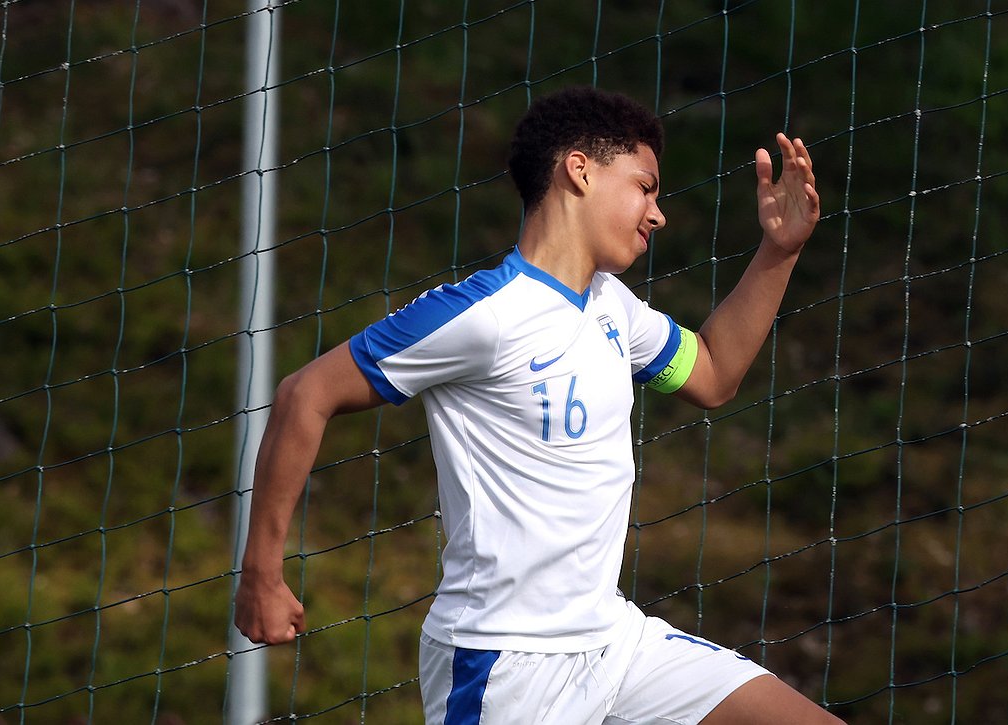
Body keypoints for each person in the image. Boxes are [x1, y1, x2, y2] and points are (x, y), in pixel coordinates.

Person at [234, 86, 843, 724]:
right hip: (503, 665)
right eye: (645, 186)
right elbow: (305, 394)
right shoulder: (483, 315)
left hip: (615, 643)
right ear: (579, 171)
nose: (657, 214)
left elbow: (715, 373)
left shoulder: (615, 307)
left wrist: (781, 250)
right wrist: (261, 574)